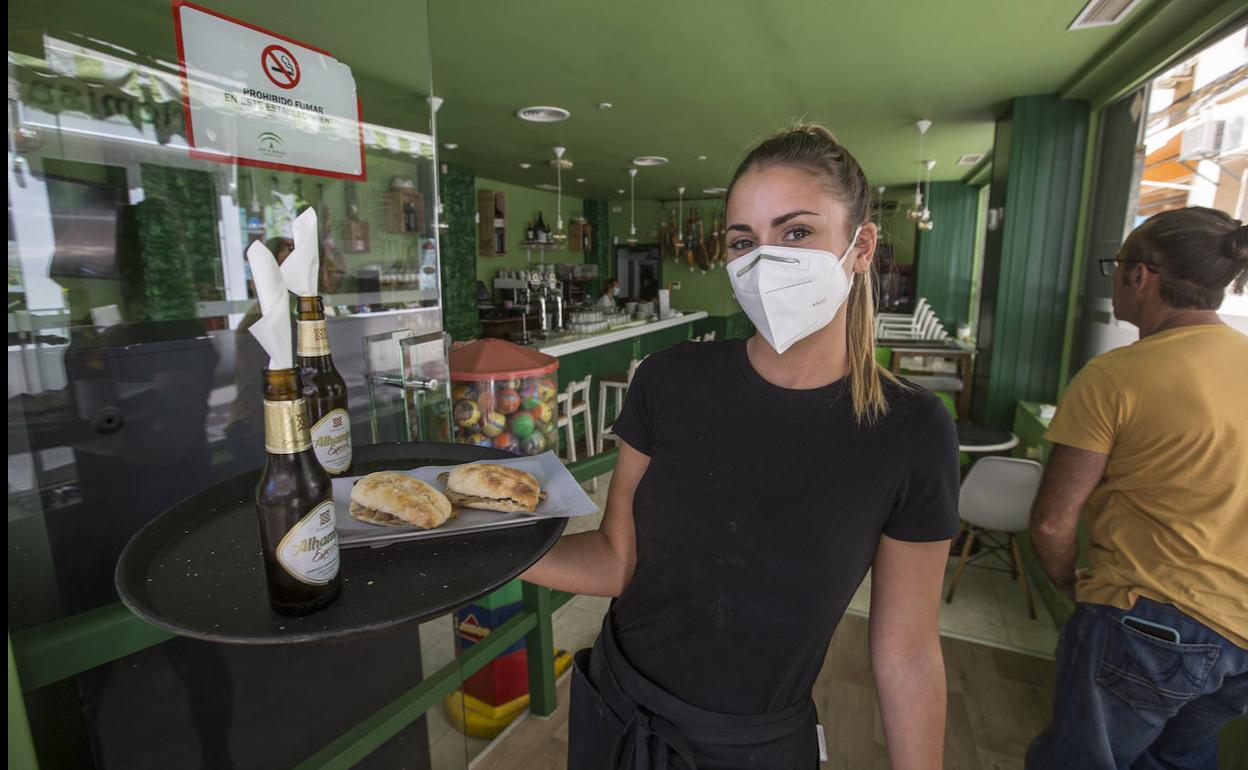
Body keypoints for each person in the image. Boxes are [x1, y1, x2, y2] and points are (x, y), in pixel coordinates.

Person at [521, 124, 959, 769]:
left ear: (861, 245)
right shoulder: (670, 379)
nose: (767, 260)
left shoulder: (911, 429)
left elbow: (908, 650)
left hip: (750, 748)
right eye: (743, 242)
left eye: (798, 232)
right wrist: (474, 546)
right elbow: (618, 562)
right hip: (616, 713)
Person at [1026, 207, 1248, 769]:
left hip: (1148, 618)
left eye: (1116, 264)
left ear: (1140, 275)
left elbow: (1053, 522)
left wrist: (1073, 587)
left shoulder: (1115, 377)